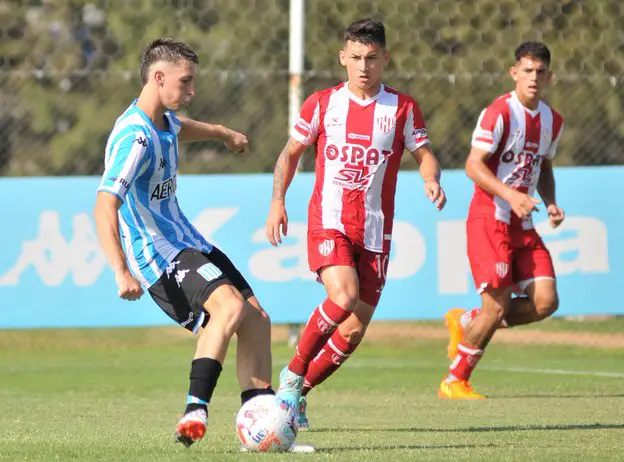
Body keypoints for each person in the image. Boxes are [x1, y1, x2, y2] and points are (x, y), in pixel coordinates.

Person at [264, 18, 447, 428]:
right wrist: (278, 200)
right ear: (343, 58)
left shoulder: (402, 108)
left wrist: (431, 178)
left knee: (351, 332)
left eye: (372, 58)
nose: (364, 66)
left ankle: (297, 396)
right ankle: (292, 374)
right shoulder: (322, 104)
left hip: (376, 230)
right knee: (343, 296)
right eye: (356, 58)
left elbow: (425, 152)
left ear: (385, 58)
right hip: (329, 221)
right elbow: (290, 153)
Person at [93, 38, 274, 446]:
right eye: (185, 82)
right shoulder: (134, 138)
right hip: (159, 255)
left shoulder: (165, 121)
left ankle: (261, 425)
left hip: (188, 240)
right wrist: (121, 270)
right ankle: (195, 409)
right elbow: (104, 206)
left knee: (257, 321)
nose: (192, 91)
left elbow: (184, 129)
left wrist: (225, 135)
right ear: (159, 78)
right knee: (227, 308)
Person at [438, 41, 565, 399]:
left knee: (546, 302)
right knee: (497, 306)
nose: (534, 78)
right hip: (489, 219)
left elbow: (545, 166)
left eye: (541, 72)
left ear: (549, 76)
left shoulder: (552, 121)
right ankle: (455, 381)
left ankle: (466, 321)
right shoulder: (499, 113)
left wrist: (552, 202)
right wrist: (511, 195)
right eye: (527, 70)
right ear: (514, 73)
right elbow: (472, 165)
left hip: (523, 224)